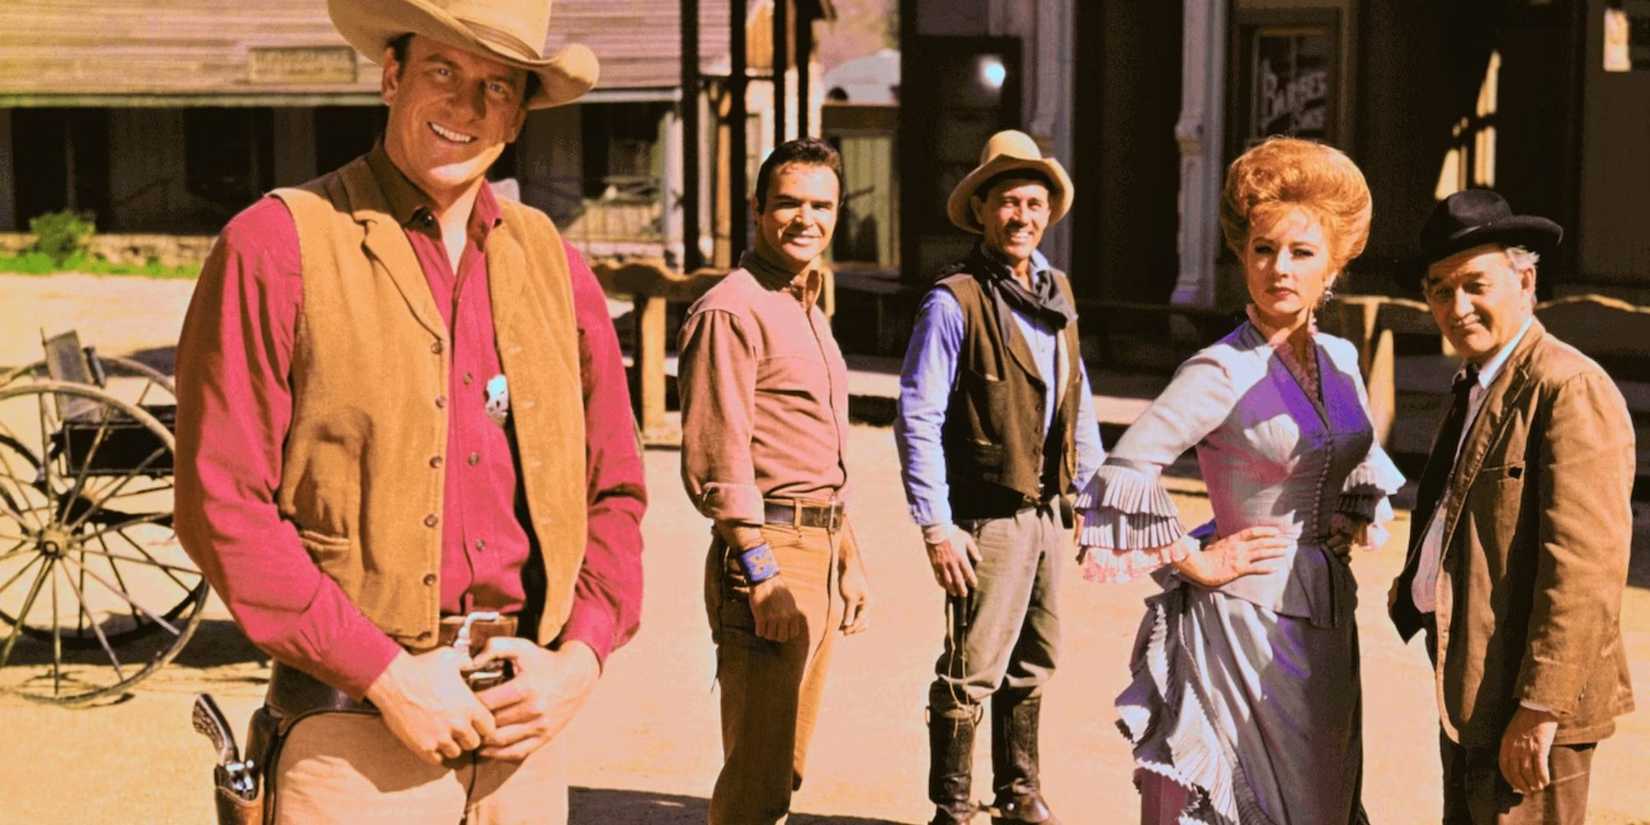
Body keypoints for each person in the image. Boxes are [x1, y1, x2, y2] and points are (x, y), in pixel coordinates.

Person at [173, 1, 646, 822]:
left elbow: (616, 493)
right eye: (442, 71)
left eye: (496, 86)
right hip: (350, 734)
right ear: (391, 75)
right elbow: (222, 506)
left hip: (521, 739)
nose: (466, 108)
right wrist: (388, 673)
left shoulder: (560, 269)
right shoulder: (277, 245)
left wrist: (579, 661)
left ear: (521, 111)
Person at [1074, 136, 1404, 825]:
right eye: (1262, 250)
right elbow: (1122, 468)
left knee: (1324, 797)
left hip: (1327, 615)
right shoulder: (1220, 368)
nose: (1279, 267)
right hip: (1243, 622)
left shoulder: (1342, 357)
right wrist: (1196, 557)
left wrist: (1349, 512)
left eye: (1301, 252)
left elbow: (1356, 450)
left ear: (1334, 264)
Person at [1388, 189, 1635, 824]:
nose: (1457, 307)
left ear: (1525, 280)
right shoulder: (1477, 381)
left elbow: (1584, 569)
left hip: (1531, 706)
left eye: (1475, 284)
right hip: (1476, 686)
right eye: (1439, 290)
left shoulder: (1566, 387)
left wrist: (1540, 709)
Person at [895, 129, 1105, 825]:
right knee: (970, 667)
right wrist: (936, 525)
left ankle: (1018, 791)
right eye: (1009, 201)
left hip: (1048, 510)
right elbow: (917, 417)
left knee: (1036, 657)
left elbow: (1080, 398)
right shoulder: (953, 300)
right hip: (985, 514)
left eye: (1035, 202)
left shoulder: (1057, 292)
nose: (1023, 216)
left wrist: (1093, 496)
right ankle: (951, 808)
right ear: (982, 210)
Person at [678, 137, 872, 825]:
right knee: (755, 782)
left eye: (821, 204)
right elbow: (716, 462)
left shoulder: (807, 305)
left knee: (784, 766)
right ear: (757, 209)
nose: (805, 219)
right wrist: (762, 575)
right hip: (769, 552)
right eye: (788, 203)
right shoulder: (731, 309)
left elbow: (811, 449)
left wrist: (845, 555)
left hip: (816, 550)